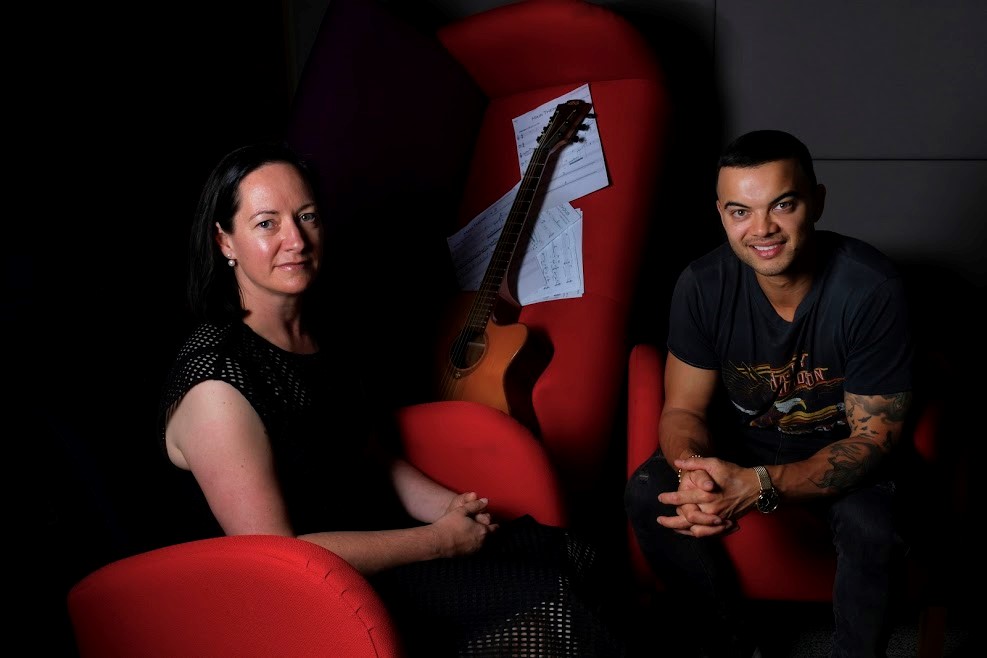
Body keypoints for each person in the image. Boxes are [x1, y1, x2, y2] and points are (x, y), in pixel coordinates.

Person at [156, 141, 626, 657]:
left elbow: (372, 457)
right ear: (224, 241)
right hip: (317, 591)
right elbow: (278, 559)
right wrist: (438, 540)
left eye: (306, 216)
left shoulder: (320, 332)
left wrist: (452, 508)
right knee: (553, 605)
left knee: (575, 554)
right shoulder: (217, 383)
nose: (296, 240)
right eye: (267, 223)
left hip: (382, 538)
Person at [624, 130, 915, 658]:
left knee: (873, 523)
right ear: (721, 214)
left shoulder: (869, 287)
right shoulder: (702, 284)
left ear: (816, 202)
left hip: (839, 447)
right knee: (650, 490)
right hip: (743, 444)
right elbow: (683, 409)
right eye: (741, 211)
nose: (761, 230)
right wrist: (694, 470)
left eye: (783, 205)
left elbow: (874, 439)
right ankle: (731, 646)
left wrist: (759, 485)